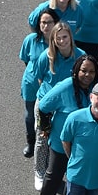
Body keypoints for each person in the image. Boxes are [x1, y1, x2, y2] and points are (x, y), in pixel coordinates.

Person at [36, 54, 98, 195]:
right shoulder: (65, 87)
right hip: (60, 142)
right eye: (83, 71)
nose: (87, 75)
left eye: (92, 71)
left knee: (75, 175)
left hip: (83, 145)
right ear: (76, 71)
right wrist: (46, 129)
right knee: (54, 174)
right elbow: (43, 107)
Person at [29, 21, 81, 182]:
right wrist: (50, 98)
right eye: (58, 38)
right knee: (42, 138)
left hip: (67, 107)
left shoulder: (80, 57)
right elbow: (39, 78)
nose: (62, 41)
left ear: (70, 37)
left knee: (66, 139)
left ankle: (63, 169)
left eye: (64, 37)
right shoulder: (46, 56)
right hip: (46, 105)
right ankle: (39, 171)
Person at [20, 6, 58, 159]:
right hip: (31, 85)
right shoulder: (30, 40)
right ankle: (31, 141)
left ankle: (48, 143)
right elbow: (25, 59)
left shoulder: (60, 41)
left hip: (50, 87)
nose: (45, 26)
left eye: (49, 22)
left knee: (49, 116)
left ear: (56, 23)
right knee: (30, 116)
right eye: (43, 22)